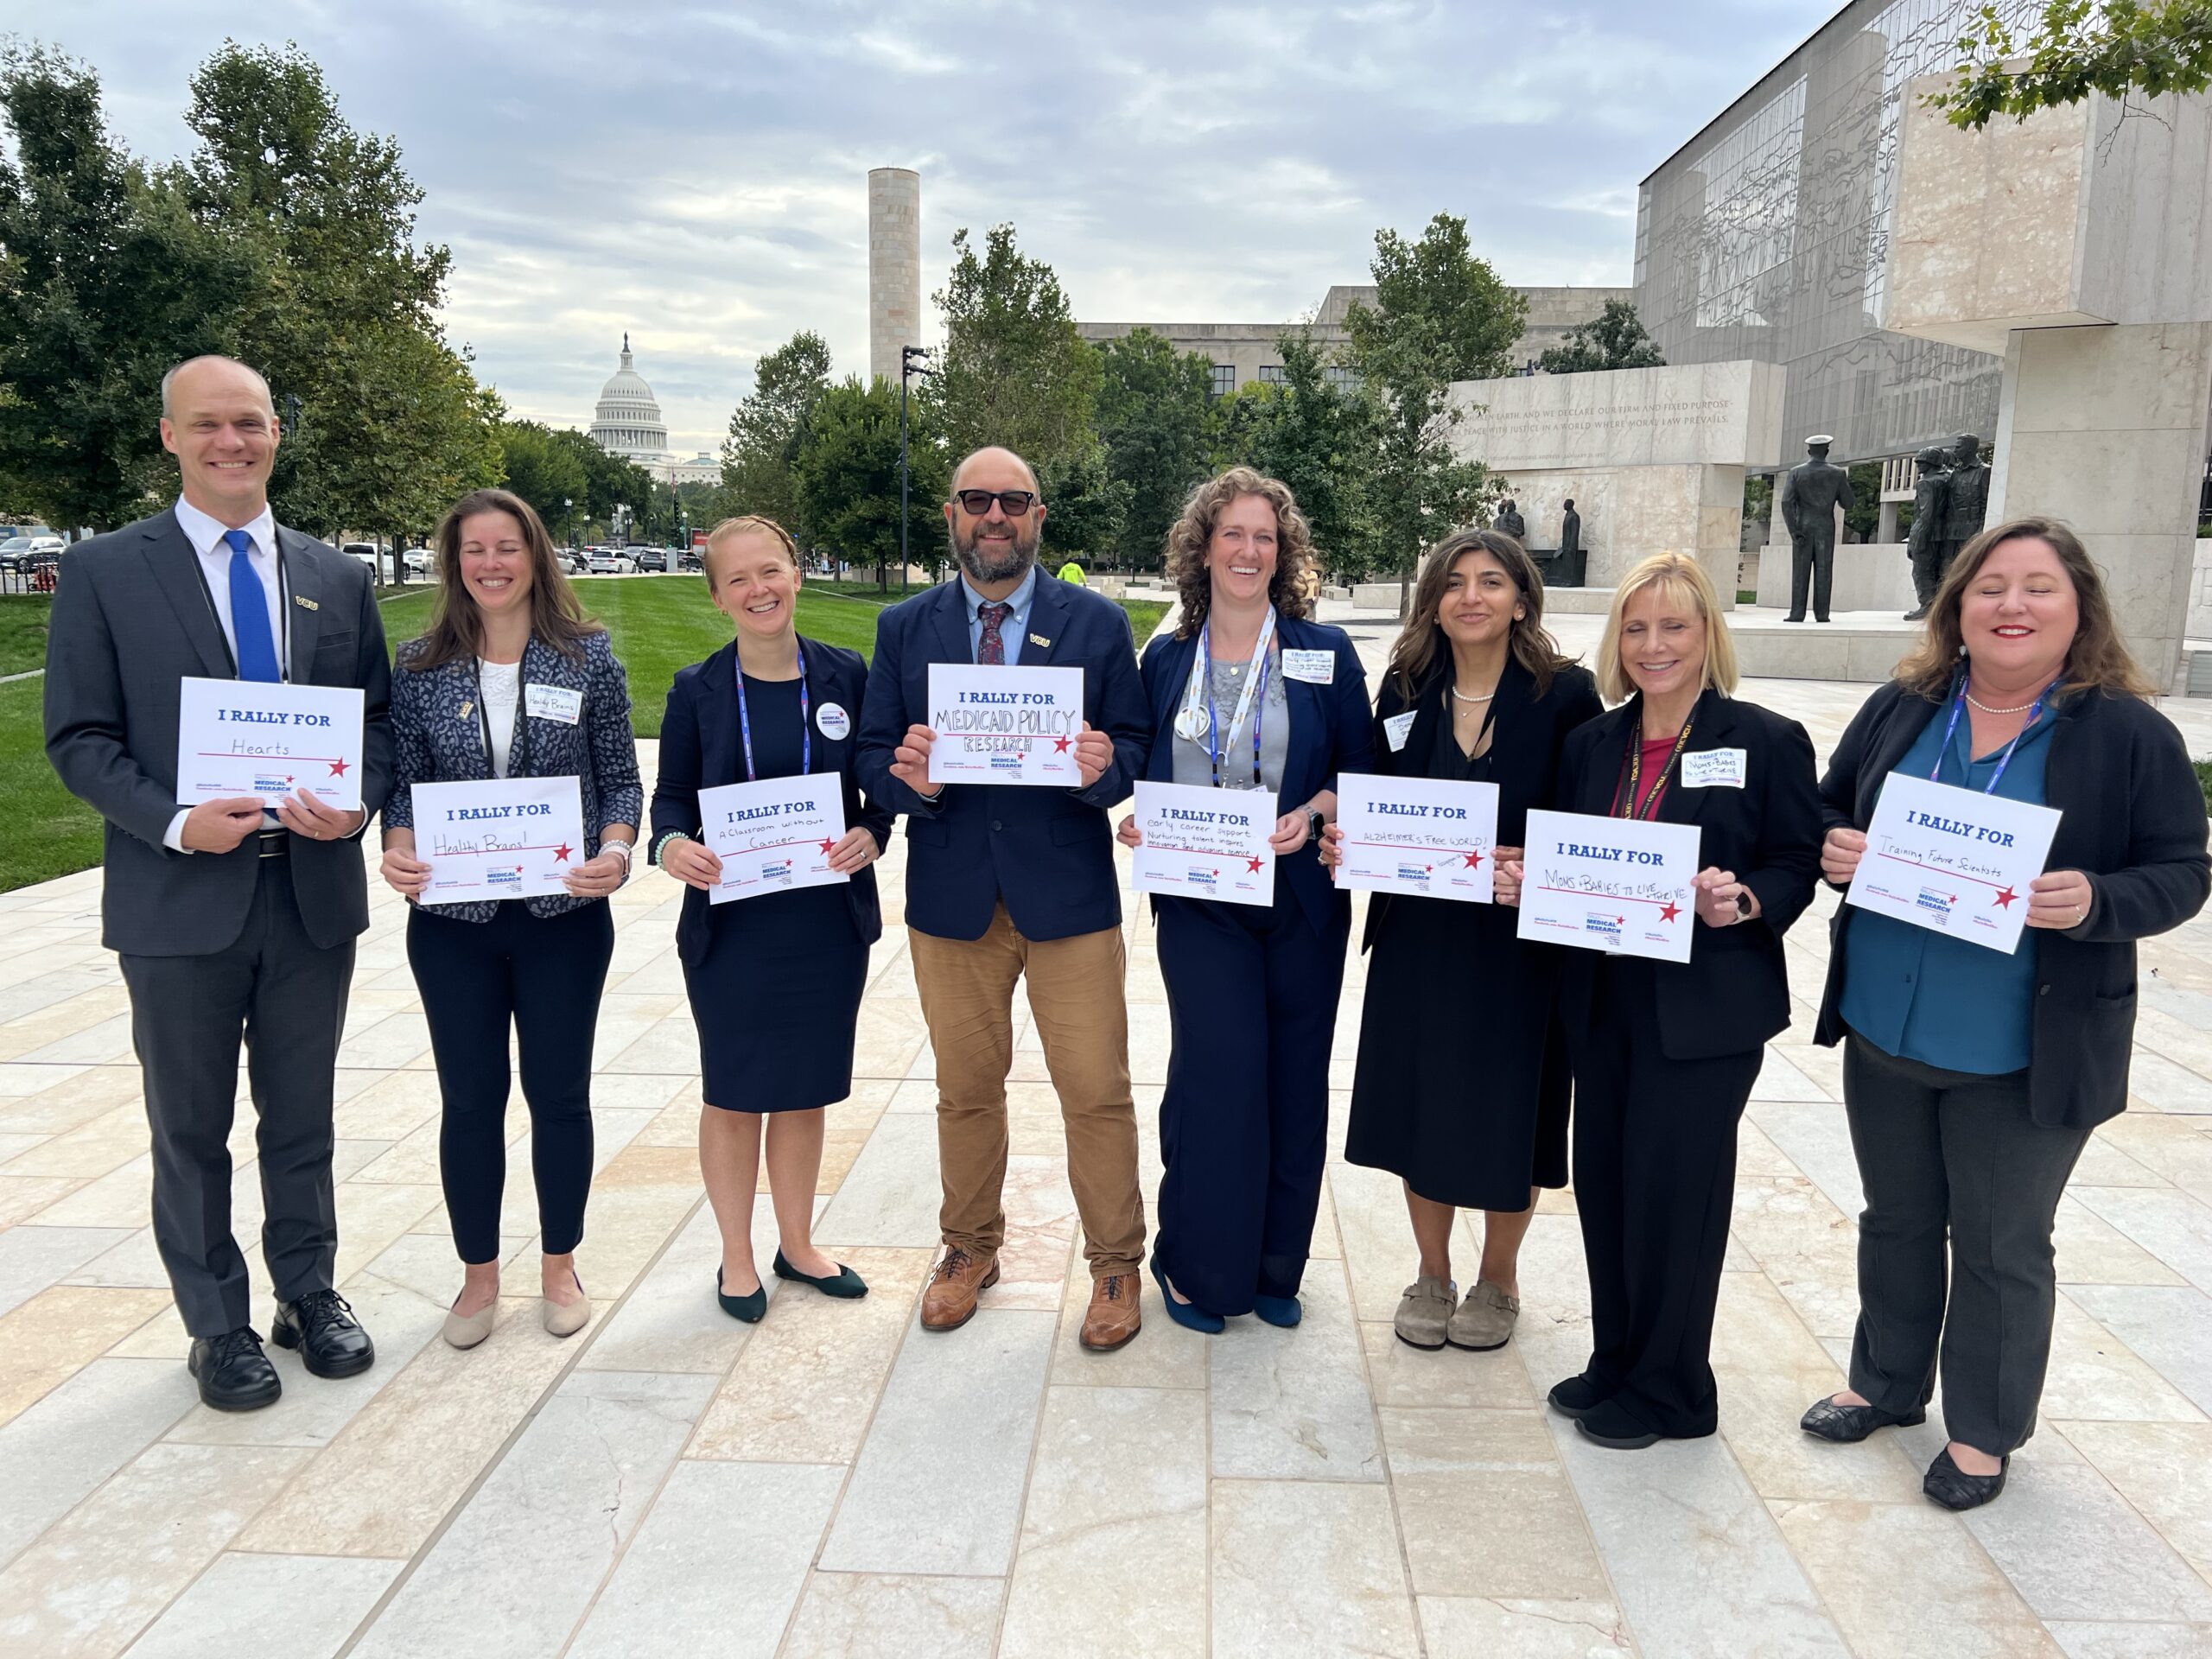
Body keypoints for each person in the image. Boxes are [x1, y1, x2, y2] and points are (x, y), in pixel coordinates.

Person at [1801, 518, 2209, 1510]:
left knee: (1998, 1243)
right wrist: (1834, 845)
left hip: (2022, 1046)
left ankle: (1983, 1430)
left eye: (2037, 588)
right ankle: (1889, 1385)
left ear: (2078, 612)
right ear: (1957, 608)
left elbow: (2182, 871)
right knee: (1895, 1220)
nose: (2011, 606)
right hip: (1884, 1025)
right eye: (1990, 587)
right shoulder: (1907, 706)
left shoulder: (2124, 733)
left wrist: (2097, 901)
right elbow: (1823, 805)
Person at [44, 354, 392, 1411]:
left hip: (310, 892)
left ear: (277, 433)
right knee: (189, 1127)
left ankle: (307, 1291)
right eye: (207, 425)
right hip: (178, 896)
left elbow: (374, 722)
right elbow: (80, 736)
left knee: (302, 1116)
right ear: (170, 437)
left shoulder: (335, 576)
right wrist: (174, 820)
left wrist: (362, 801)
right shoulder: (106, 570)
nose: (229, 442)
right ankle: (216, 1324)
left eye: (248, 423)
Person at [1522, 552, 1821, 1449]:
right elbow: (1570, 855)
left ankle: (1674, 1391)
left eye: (1675, 627)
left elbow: (1796, 862)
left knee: (1676, 1197)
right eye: (1638, 628)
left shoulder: (1764, 739)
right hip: (1602, 998)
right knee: (1610, 1185)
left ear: (1707, 636)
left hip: (1702, 1011)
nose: (1654, 646)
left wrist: (1747, 899)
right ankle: (1618, 1360)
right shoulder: (1592, 744)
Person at [856, 446, 1152, 1351]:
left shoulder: (1097, 625)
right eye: (977, 500)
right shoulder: (905, 627)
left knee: (1094, 1089)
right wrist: (915, 782)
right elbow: (871, 754)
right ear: (951, 514)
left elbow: (1133, 743)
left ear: (1038, 516)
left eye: (1013, 501)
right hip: (953, 901)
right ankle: (968, 1249)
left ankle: (1112, 1263)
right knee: (965, 1089)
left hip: (1065, 895)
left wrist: (1107, 771)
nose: (995, 516)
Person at [378, 488, 641, 1348]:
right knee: (470, 1098)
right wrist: (401, 845)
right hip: (454, 921)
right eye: (473, 550)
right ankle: (477, 1277)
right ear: (454, 564)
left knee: (558, 1095)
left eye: (507, 547)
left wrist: (616, 847)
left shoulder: (588, 657)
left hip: (563, 913)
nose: (491, 564)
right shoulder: (418, 666)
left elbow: (619, 777)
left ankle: (559, 1264)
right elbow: (403, 785)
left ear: (535, 556)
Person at [1328, 529, 1600, 1351]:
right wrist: (1350, 838)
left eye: (1491, 582)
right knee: (1422, 1104)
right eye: (1454, 584)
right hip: (1420, 940)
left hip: (1520, 949)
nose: (1471, 597)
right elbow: (1372, 794)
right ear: (1433, 602)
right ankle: (1434, 1270)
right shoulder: (1406, 687)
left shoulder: (1567, 695)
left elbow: (1592, 819)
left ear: (1522, 597)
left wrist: (1540, 862)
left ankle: (1500, 1277)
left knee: (1511, 1111)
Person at [1116, 467, 1371, 1332]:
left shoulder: (1320, 652)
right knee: (1219, 1079)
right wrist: (1140, 822)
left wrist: (1312, 814)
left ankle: (1273, 1269)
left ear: (1282, 552)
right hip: (1199, 907)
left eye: (1264, 536)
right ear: (1203, 547)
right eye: (1232, 533)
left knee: (1294, 1083)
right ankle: (1195, 1268)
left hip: (1300, 901)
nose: (1248, 550)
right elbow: (1138, 759)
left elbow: (1358, 772)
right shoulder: (1166, 657)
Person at [650, 516, 887, 1320]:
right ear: (717, 596)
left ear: (797, 570)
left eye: (771, 571)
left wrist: (873, 832)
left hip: (823, 921)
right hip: (733, 926)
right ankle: (736, 1259)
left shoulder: (846, 675)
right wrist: (672, 846)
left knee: (802, 1089)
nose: (760, 589)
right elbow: (671, 800)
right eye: (739, 579)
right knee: (734, 1090)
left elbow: (874, 784)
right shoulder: (697, 690)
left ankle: (798, 1242)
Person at [1781, 435, 1855, 624]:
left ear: (1809, 452)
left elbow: (1786, 503)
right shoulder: (1838, 473)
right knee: (1824, 570)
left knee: (1800, 570)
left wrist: (1793, 530)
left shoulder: (1796, 472)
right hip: (1825, 527)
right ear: (1827, 451)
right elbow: (1848, 503)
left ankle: (1797, 613)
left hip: (1802, 527)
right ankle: (1822, 614)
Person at [1902, 444, 1952, 620]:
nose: (1918, 466)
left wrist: (1915, 538)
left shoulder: (1926, 483)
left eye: (1921, 462)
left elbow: (1926, 514)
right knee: (1938, 570)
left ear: (1930, 462)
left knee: (1921, 571)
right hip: (1943, 533)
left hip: (1927, 532)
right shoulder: (1947, 478)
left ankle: (1927, 605)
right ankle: (1938, 607)